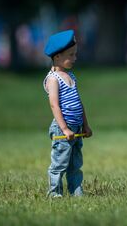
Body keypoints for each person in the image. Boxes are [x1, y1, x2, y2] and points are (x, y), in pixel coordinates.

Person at [43, 30, 92, 198]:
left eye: (75, 54)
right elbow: (54, 105)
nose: (75, 58)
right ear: (57, 57)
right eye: (70, 55)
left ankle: (76, 191)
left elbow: (79, 103)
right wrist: (64, 128)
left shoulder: (71, 76)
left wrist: (86, 125)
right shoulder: (53, 79)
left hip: (76, 127)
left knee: (75, 163)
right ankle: (54, 193)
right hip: (63, 129)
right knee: (60, 163)